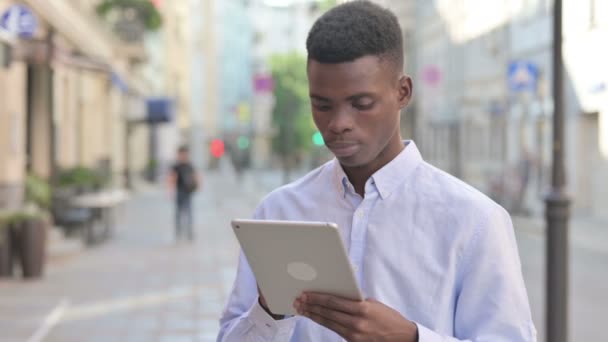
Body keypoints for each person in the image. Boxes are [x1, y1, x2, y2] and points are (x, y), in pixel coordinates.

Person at [218, 1, 536, 341]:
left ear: (403, 92)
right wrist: (268, 312)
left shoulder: (475, 221)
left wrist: (411, 338)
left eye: (361, 104)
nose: (338, 123)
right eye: (322, 105)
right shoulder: (277, 213)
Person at [167, 146, 200, 241]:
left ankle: (190, 232)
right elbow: (172, 177)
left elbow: (196, 176)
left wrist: (197, 185)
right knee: (178, 213)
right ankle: (178, 231)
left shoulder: (189, 165)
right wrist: (170, 189)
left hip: (188, 192)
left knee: (189, 212)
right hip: (179, 191)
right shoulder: (176, 166)